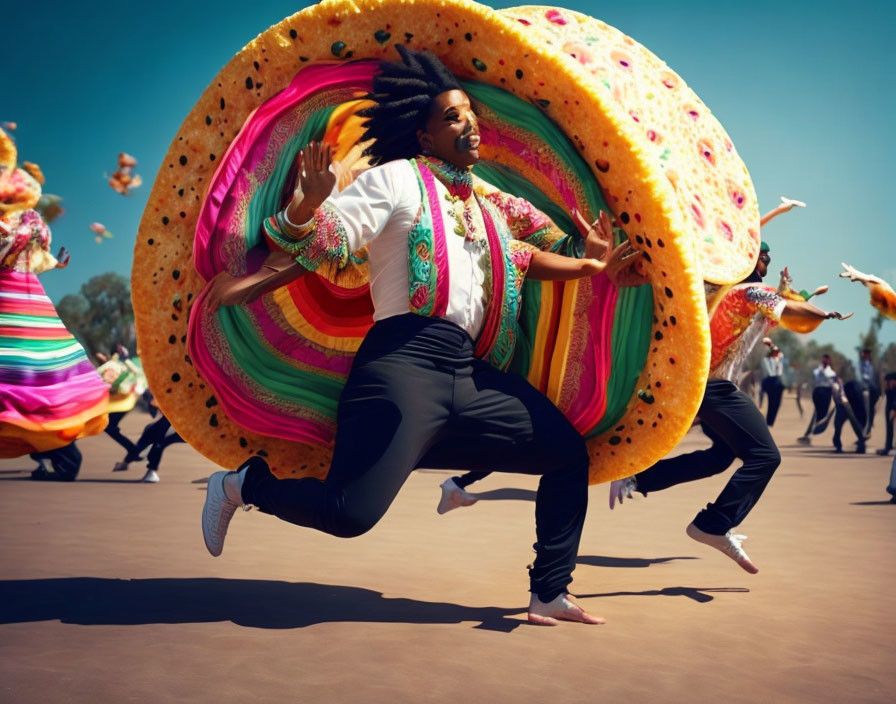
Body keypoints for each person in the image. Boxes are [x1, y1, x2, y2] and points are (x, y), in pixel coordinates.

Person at [199, 47, 648, 626]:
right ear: (424, 135)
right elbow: (332, 239)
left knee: (564, 454)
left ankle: (549, 592)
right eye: (453, 117)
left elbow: (528, 253)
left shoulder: (488, 202)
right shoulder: (396, 180)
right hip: (401, 366)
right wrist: (308, 205)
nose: (470, 125)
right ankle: (243, 486)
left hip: (469, 374)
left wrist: (590, 266)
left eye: (470, 114)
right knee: (349, 514)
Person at [606, 242, 849, 573]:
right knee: (766, 457)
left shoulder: (739, 297)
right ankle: (714, 523)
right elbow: (791, 313)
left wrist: (795, 295)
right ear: (749, 263)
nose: (768, 261)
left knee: (721, 456)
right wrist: (822, 314)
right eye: (764, 257)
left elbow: (784, 312)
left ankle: (639, 478)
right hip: (715, 388)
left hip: (704, 387)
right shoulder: (751, 293)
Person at [797, 354, 838, 444]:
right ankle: (809, 435)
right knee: (817, 414)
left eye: (827, 360)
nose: (825, 362)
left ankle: (812, 434)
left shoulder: (832, 372)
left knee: (823, 415)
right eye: (824, 360)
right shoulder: (817, 371)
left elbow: (834, 384)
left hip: (827, 392)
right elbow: (812, 381)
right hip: (818, 392)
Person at [760, 341, 785, 426]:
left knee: (777, 403)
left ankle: (771, 421)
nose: (777, 353)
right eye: (775, 351)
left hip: (778, 383)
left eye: (777, 351)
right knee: (772, 402)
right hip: (771, 381)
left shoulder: (779, 359)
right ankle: (769, 421)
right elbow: (770, 373)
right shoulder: (766, 360)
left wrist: (771, 344)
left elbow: (781, 354)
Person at [858, 348, 880, 437]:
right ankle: (864, 428)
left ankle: (867, 428)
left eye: (866, 353)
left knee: (870, 410)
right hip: (864, 389)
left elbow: (873, 378)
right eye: (863, 353)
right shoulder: (860, 365)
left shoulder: (871, 366)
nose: (863, 355)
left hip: (871, 390)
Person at [877, 372, 896, 456]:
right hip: (890, 407)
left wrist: (893, 409)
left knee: (890, 427)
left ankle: (888, 447)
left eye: (887, 382)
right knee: (889, 427)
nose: (886, 384)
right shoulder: (889, 389)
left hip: (893, 407)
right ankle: (888, 447)